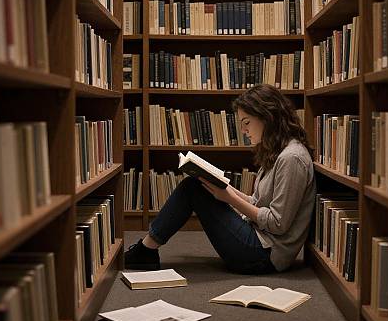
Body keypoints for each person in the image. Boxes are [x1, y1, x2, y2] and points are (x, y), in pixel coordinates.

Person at [124, 84, 316, 274]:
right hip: (258, 241)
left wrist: (229, 198)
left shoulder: (292, 158)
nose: (243, 131)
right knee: (198, 184)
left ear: (268, 117)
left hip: (265, 255)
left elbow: (278, 223)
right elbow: (257, 203)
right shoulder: (278, 151)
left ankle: (146, 250)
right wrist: (226, 188)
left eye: (246, 122)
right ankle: (146, 249)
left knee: (192, 188)